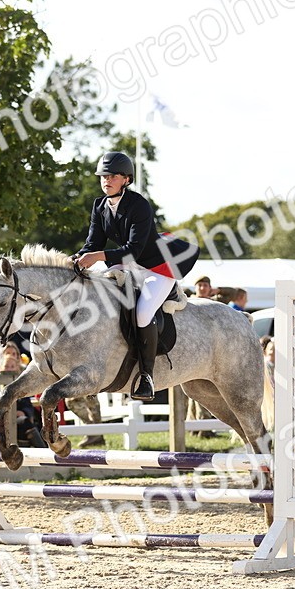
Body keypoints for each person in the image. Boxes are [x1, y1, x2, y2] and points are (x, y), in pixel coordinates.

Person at [72, 151, 199, 402]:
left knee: (142, 313)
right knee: (99, 296)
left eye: (113, 176)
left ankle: (146, 376)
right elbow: (93, 243)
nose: (106, 180)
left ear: (126, 179)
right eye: (104, 176)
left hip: (157, 267)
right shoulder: (99, 206)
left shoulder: (139, 205)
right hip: (128, 266)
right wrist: (75, 258)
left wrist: (97, 257)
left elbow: (133, 250)